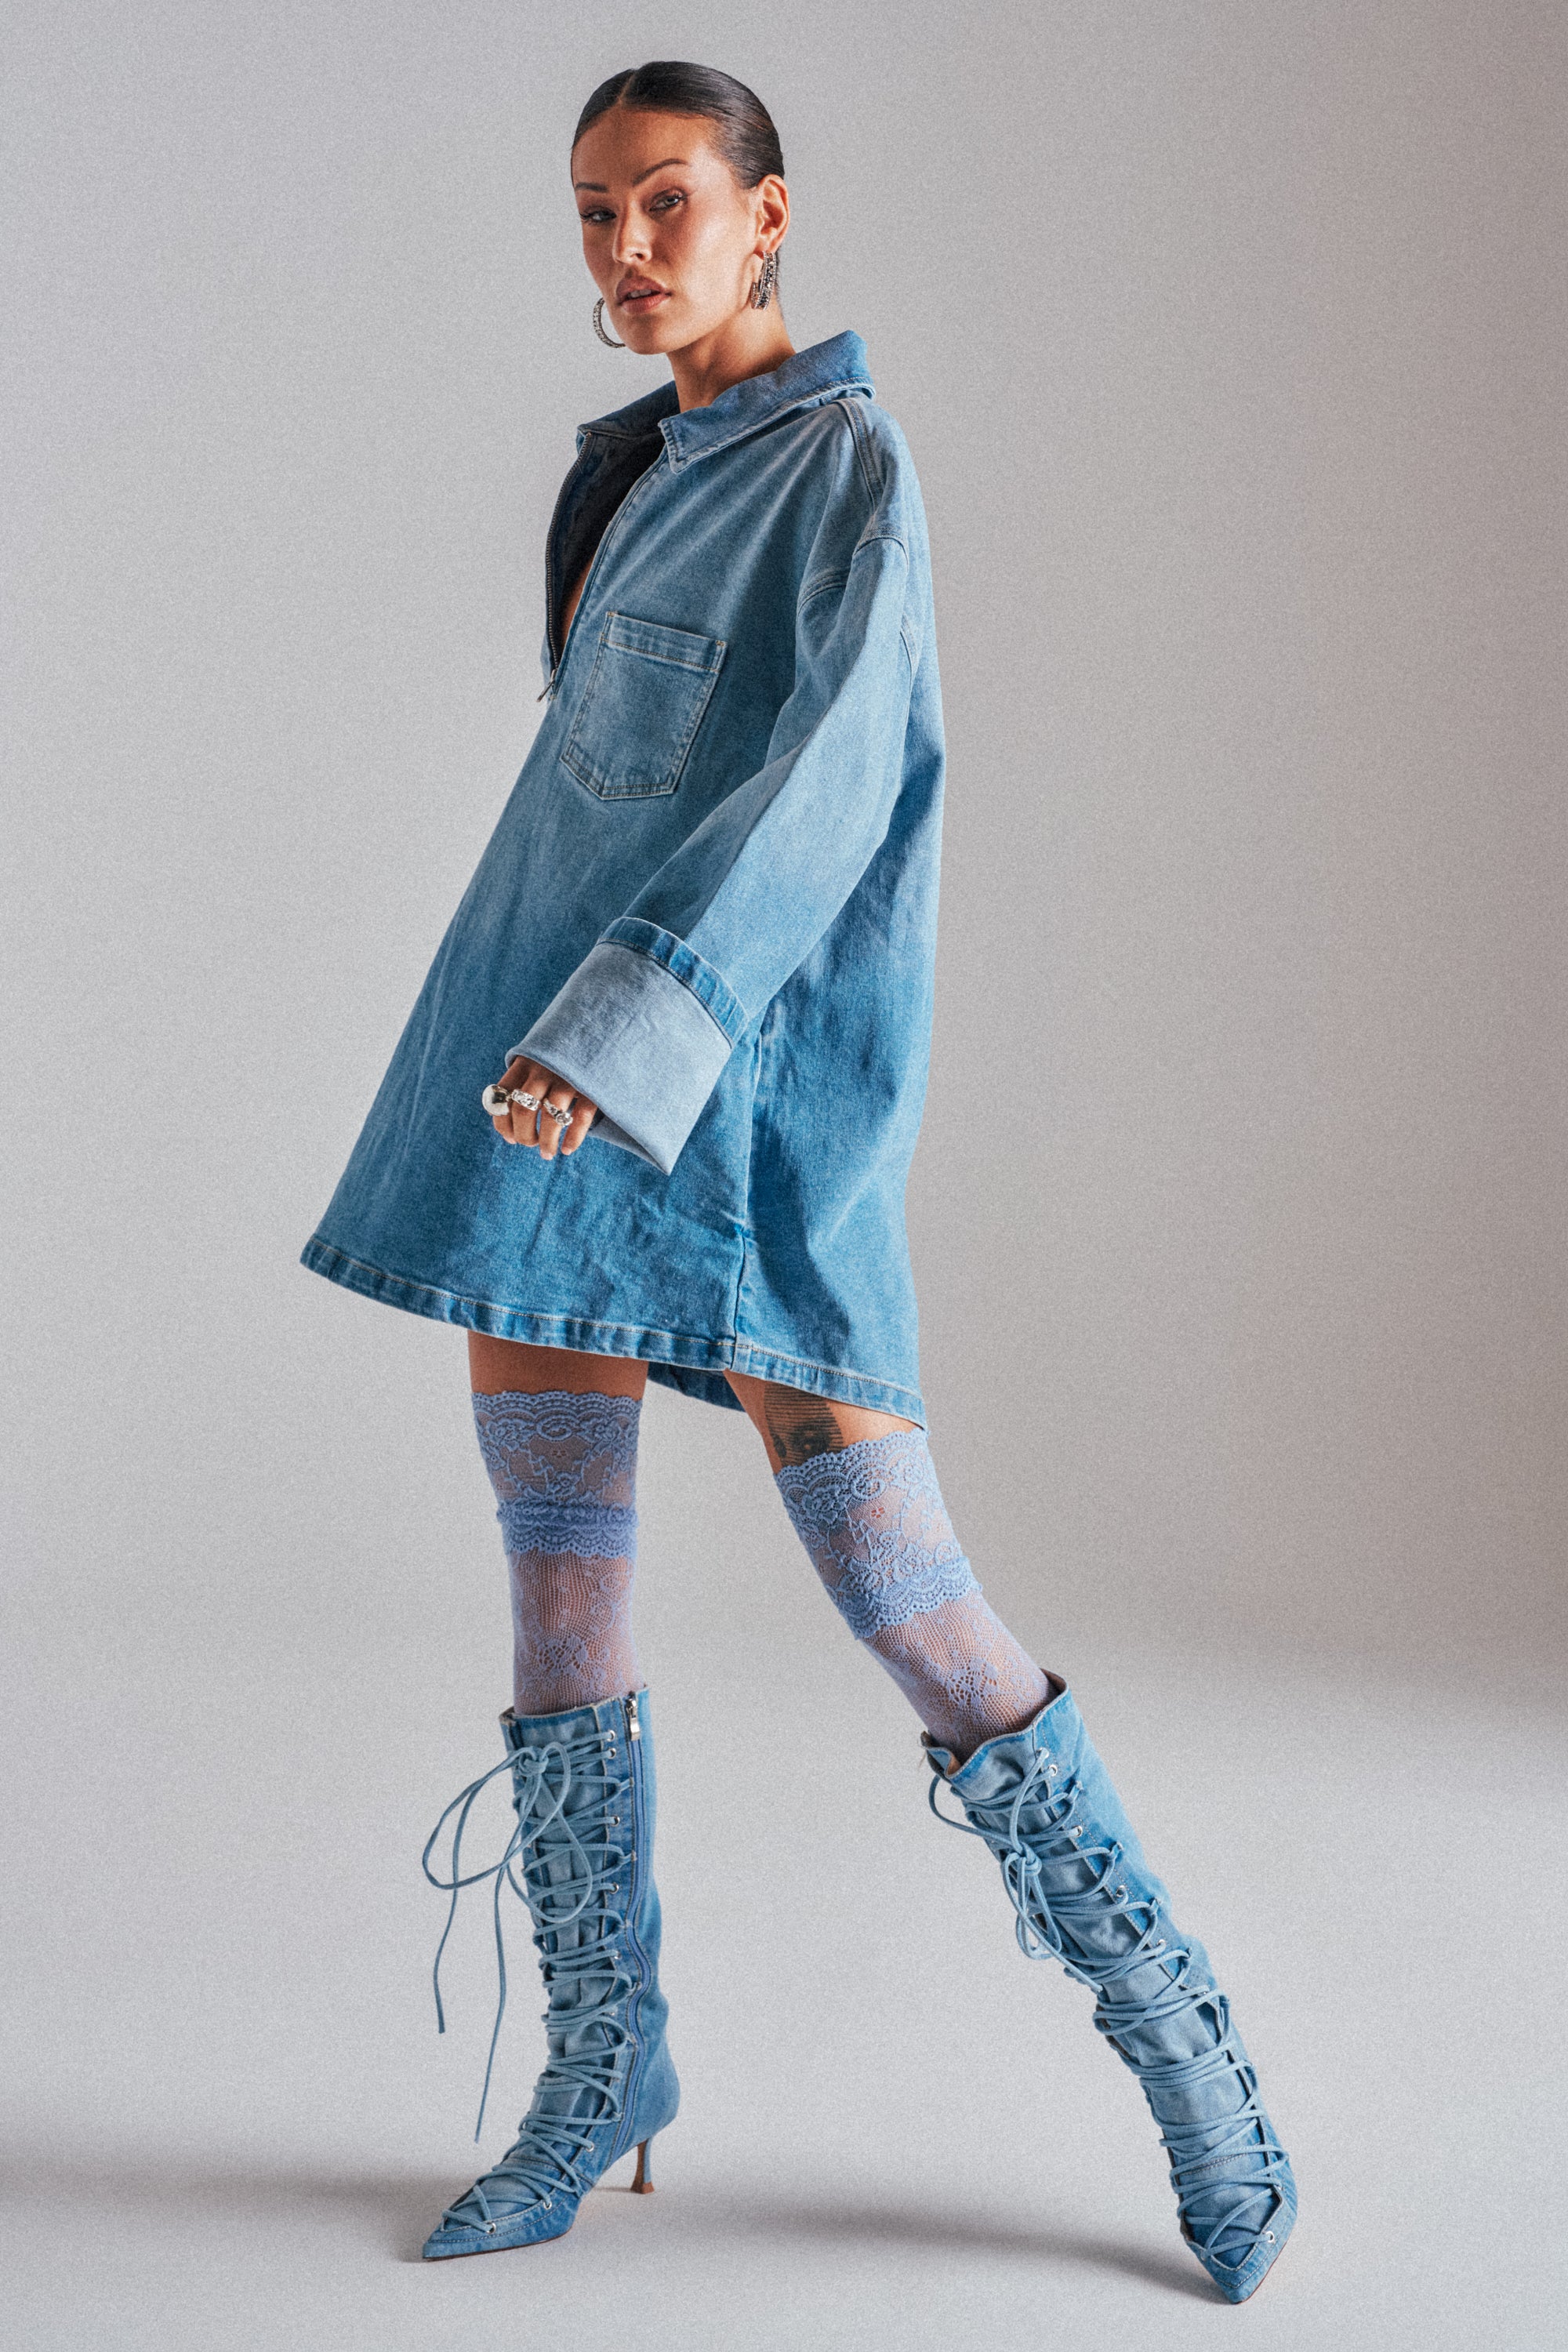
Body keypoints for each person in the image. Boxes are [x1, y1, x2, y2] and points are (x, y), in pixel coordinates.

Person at [300, 60, 1296, 2302]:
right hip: (531, 1098)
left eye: (668, 203)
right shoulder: (619, 477)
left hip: (728, 1117)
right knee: (560, 1604)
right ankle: (603, 2072)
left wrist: (631, 1034)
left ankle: (1184, 2047)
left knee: (916, 1611)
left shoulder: (849, 468)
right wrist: (548, 1048)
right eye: (590, 215)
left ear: (769, 215)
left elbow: (828, 801)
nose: (627, 249)